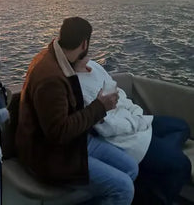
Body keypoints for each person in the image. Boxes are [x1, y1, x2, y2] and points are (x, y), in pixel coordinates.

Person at [16, 17, 138, 205]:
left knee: (131, 168)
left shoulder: (53, 56)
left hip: (74, 142)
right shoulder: (51, 79)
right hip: (50, 155)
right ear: (84, 43)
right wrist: (100, 106)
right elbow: (59, 133)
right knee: (123, 188)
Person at [77, 58, 192, 205]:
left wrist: (136, 114)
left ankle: (149, 172)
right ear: (83, 44)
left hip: (135, 121)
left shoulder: (93, 66)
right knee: (181, 165)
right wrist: (137, 122)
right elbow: (107, 128)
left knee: (182, 127)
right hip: (123, 139)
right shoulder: (75, 85)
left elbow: (119, 93)